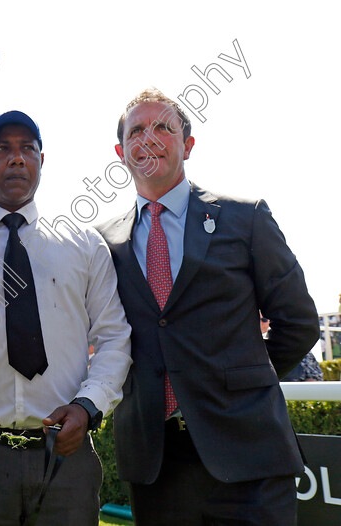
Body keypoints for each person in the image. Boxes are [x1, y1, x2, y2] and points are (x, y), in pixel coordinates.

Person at [96, 88, 320, 525]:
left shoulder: (246, 218)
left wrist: (241, 380)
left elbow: (298, 321)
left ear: (188, 144)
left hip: (249, 454)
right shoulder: (103, 244)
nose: (150, 137)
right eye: (137, 130)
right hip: (156, 466)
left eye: (164, 126)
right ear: (122, 152)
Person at [0, 111, 132, 525]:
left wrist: (88, 406)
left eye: (28, 148)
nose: (17, 158)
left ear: (42, 160)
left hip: (67, 461)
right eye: (2, 148)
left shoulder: (85, 245)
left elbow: (115, 337)